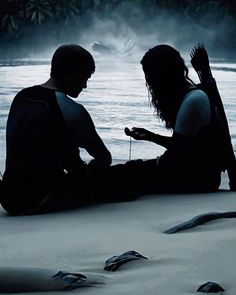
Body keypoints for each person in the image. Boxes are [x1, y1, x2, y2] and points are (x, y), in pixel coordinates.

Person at [0, 44, 112, 215]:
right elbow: (103, 157)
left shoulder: (22, 96)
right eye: (85, 78)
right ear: (74, 73)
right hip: (41, 198)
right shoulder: (71, 109)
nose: (85, 86)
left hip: (9, 197)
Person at [107, 44, 225, 195]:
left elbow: (174, 159)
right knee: (123, 172)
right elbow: (184, 147)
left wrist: (143, 168)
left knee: (121, 174)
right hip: (197, 175)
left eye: (150, 77)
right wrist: (152, 137)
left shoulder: (193, 101)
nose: (149, 84)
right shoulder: (192, 96)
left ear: (163, 76)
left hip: (195, 180)